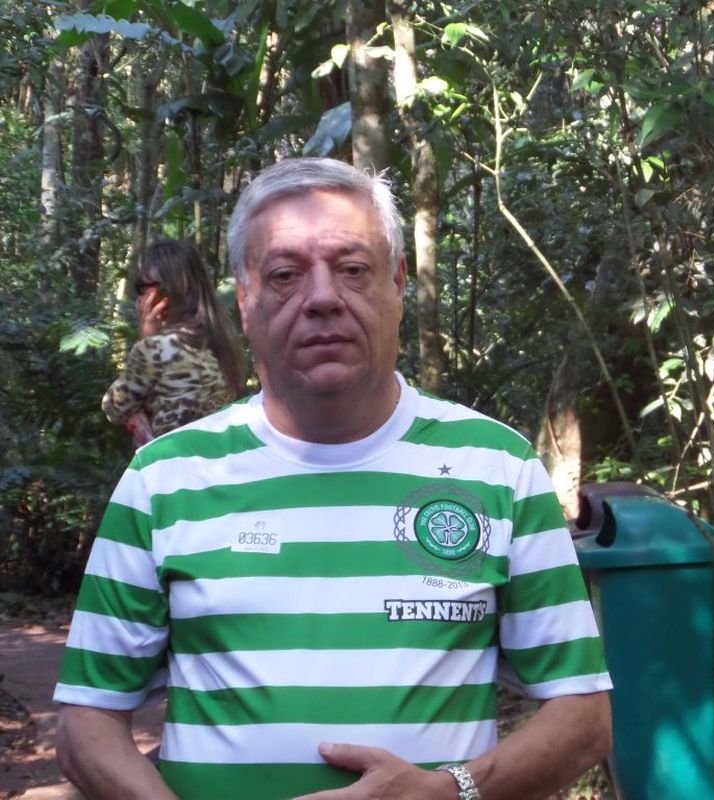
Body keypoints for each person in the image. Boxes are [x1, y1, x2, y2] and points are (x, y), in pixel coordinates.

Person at [54, 157, 613, 800]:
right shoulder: (163, 478)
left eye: (352, 269)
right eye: (285, 275)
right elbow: (87, 720)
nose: (322, 297)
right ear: (245, 300)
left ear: (398, 284)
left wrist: (446, 792)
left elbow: (583, 717)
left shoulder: (497, 467)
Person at [101, 239, 245, 446]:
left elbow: (113, 408)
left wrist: (146, 339)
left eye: (143, 288)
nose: (139, 298)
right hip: (218, 458)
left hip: (173, 461)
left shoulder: (155, 348)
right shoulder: (223, 339)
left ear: (164, 294)